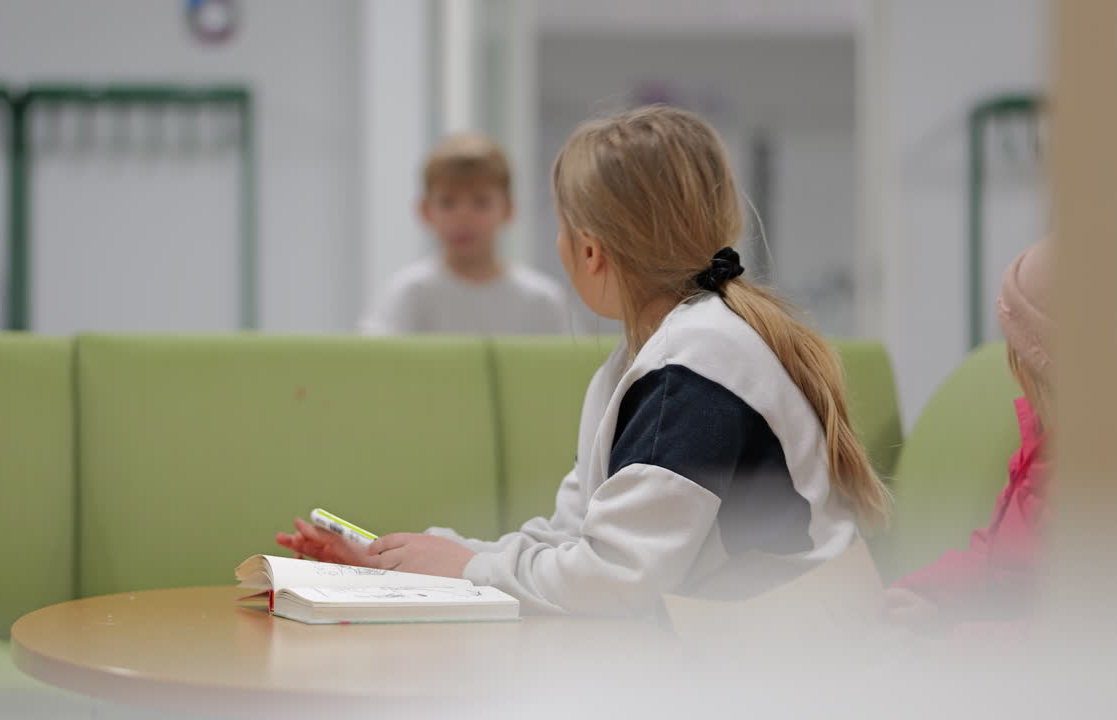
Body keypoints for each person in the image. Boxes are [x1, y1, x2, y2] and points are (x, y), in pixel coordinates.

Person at [281, 106, 890, 617]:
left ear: (590, 251)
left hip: (783, 669)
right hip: (737, 646)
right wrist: (418, 559)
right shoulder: (652, 359)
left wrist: (469, 568)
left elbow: (617, 579)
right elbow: (574, 541)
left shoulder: (692, 371)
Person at [883, 237, 1052, 642]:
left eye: (1023, 365)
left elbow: (1073, 644)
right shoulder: (1042, 448)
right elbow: (993, 558)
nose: (1017, 378)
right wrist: (918, 590)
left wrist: (947, 634)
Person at [359, 133, 569, 335]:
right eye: (447, 202)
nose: (463, 217)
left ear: (508, 209)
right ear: (424, 210)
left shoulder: (542, 300)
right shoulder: (407, 294)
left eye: (481, 202)